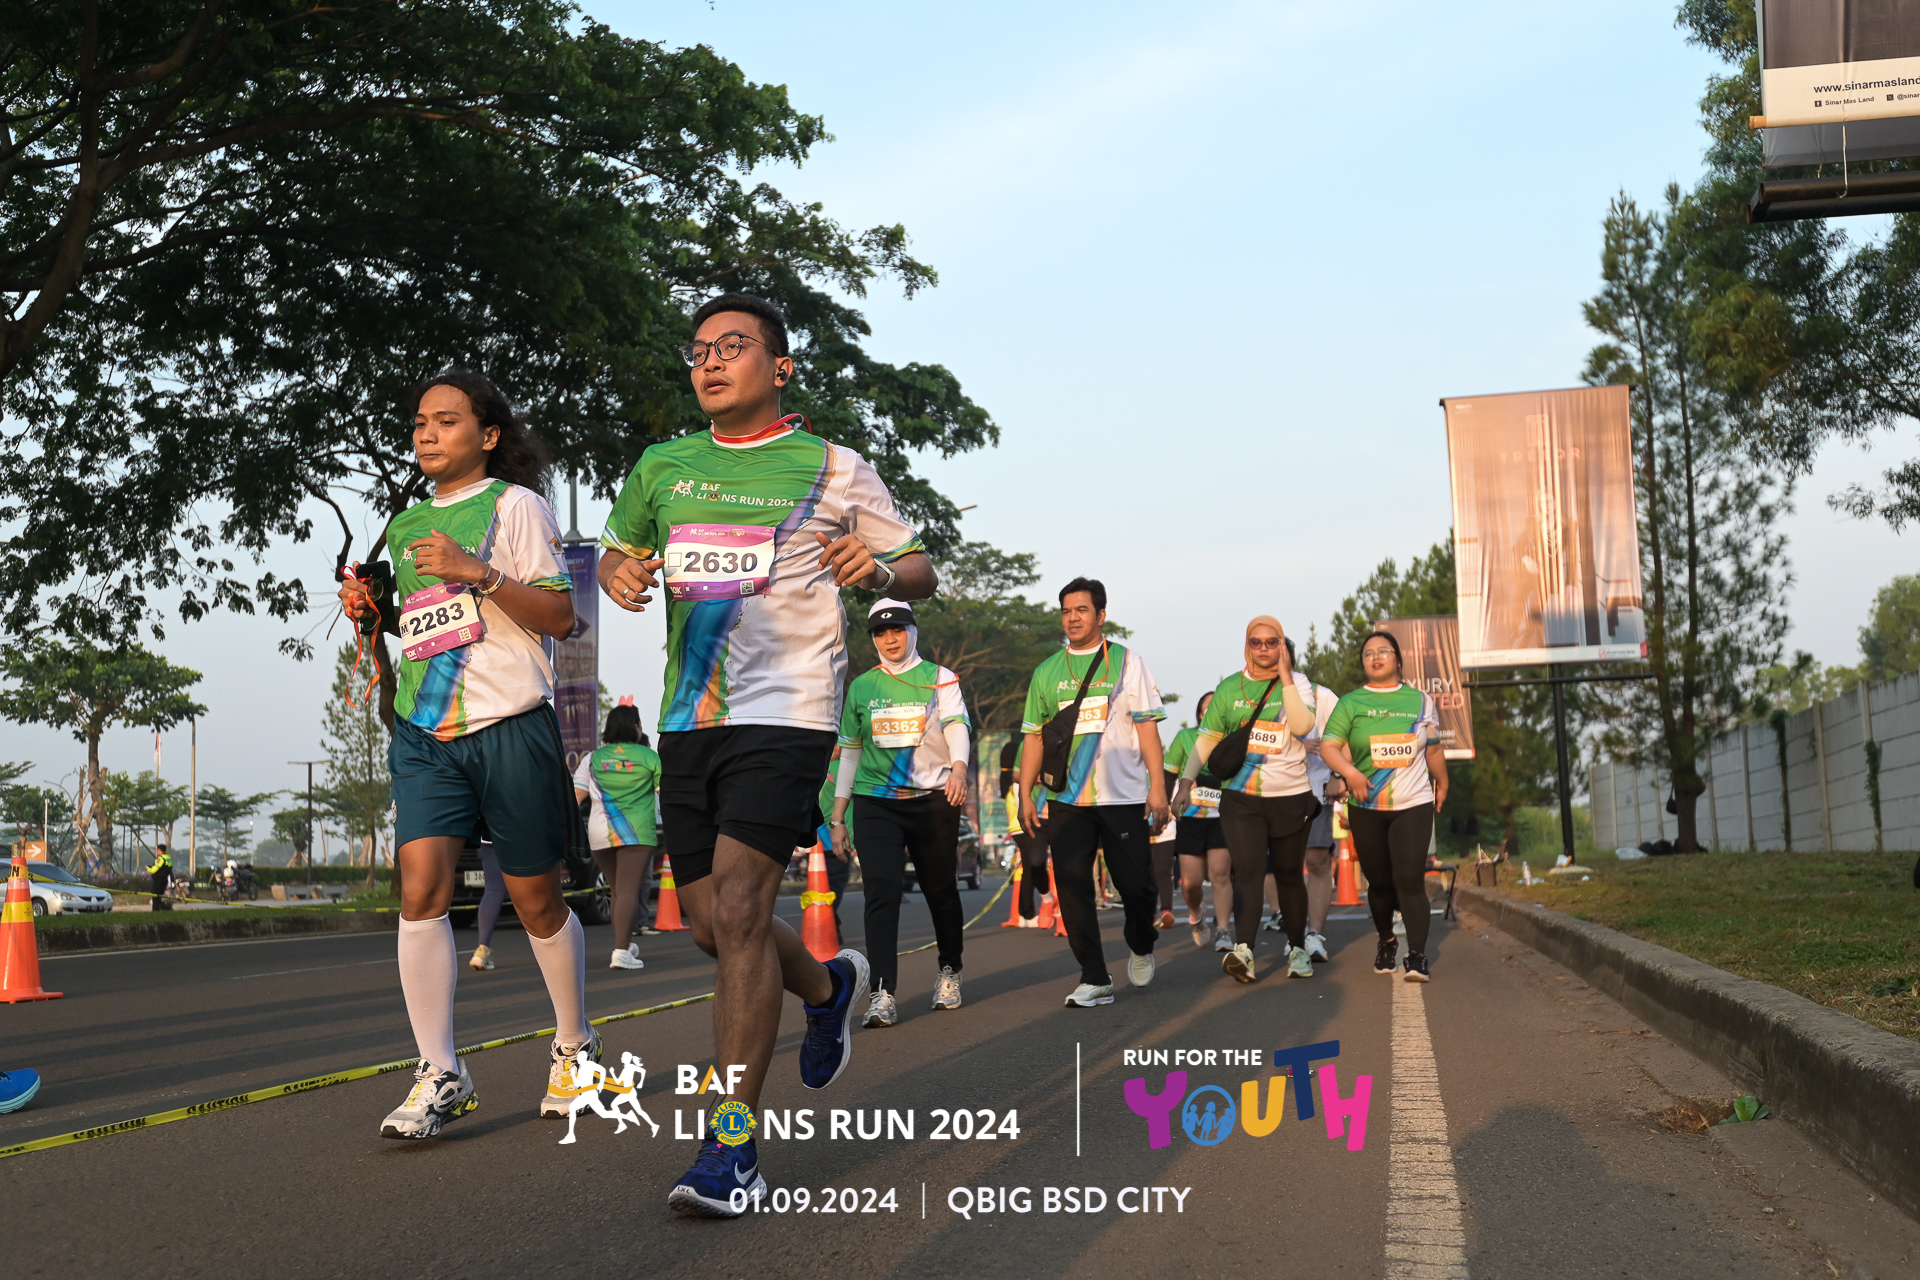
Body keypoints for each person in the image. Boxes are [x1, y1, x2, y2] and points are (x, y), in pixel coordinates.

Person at [596, 292, 935, 1218]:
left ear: (780, 367)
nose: (709, 362)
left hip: (789, 710)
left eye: (732, 346)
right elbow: (619, 554)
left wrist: (879, 569)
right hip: (690, 716)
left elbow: (920, 568)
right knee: (713, 926)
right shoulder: (662, 465)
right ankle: (827, 989)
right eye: (699, 349)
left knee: (745, 908)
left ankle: (732, 1149)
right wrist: (618, 571)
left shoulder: (835, 466)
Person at [338, 369, 594, 1142]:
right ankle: (439, 1070)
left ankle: (575, 1046)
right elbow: (430, 624)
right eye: (420, 421)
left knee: (536, 899)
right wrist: (373, 616)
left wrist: (476, 569)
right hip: (425, 732)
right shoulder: (408, 522)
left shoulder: (517, 507)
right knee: (421, 889)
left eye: (446, 421)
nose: (427, 433)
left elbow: (561, 616)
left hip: (509, 721)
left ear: (487, 435)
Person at [1016, 577, 1170, 1007]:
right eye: (1066, 611)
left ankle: (1141, 941)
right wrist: (1026, 792)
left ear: (1101, 615)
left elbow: (1147, 728)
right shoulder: (1046, 671)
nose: (1073, 618)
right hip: (1067, 798)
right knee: (1072, 885)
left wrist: (1158, 788)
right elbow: (1034, 737)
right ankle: (1095, 976)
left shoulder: (1127, 662)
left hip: (1122, 796)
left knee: (1136, 886)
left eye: (1081, 610)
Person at [831, 598, 971, 1026]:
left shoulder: (940, 679)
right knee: (881, 892)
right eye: (881, 633)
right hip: (876, 802)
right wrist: (838, 817)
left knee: (940, 890)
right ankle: (882, 992)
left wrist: (959, 768)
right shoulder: (862, 687)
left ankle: (950, 970)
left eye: (897, 630)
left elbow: (956, 725)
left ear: (913, 632)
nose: (890, 639)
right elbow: (850, 752)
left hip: (933, 799)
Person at [1175, 617, 1318, 983]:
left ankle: (1298, 949)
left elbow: (1302, 727)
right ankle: (1244, 951)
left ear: (1282, 646)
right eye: (1256, 642)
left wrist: (1285, 677)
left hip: (1290, 795)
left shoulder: (1298, 683)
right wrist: (1186, 782)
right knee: (1249, 872)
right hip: (1241, 797)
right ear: (1247, 646)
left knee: (1288, 874)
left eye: (1272, 642)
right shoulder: (1229, 688)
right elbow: (1207, 739)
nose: (1264, 648)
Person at [1321, 630, 1449, 982]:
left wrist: (1443, 782)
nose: (1375, 657)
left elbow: (1434, 748)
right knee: (1379, 884)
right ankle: (1387, 940)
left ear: (1397, 659)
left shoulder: (1420, 701)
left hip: (1414, 802)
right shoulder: (1351, 703)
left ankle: (1417, 956)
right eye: (1368, 653)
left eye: (1383, 651)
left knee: (1409, 880)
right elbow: (1329, 747)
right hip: (1366, 805)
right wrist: (1350, 774)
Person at [573, 700, 662, 970]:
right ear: (635, 727)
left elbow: (575, 798)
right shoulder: (649, 756)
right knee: (628, 891)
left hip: (599, 834)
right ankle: (621, 951)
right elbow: (666, 795)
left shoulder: (592, 758)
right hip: (636, 833)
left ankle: (624, 945)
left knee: (617, 891)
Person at [1164, 692, 1231, 951]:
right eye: (1208, 707)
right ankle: (1196, 913)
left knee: (1220, 874)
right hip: (1191, 818)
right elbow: (1169, 772)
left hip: (1222, 817)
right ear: (1201, 714)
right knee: (1191, 884)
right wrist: (1164, 804)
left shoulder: (1232, 738)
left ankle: (1223, 930)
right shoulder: (1185, 737)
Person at [1296, 651, 1345, 961]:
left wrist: (1338, 775)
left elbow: (1344, 735)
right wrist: (1297, 746)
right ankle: (1294, 934)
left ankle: (1313, 935)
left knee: (1316, 861)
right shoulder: (1261, 699)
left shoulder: (1321, 696)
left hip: (1314, 790)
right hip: (1274, 792)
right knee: (1286, 867)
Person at [1000, 739, 1046, 926]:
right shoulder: (1020, 784)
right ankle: (1027, 913)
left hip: (1016, 829)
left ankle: (1024, 913)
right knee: (1029, 870)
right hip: (1024, 827)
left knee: (1028, 869)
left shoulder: (1007, 784)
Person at [468, 837, 505, 970]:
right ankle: (551, 946)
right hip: (522, 833)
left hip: (488, 835)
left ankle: (482, 950)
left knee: (494, 890)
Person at [146, 843, 172, 911]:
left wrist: (148, 868)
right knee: (158, 897)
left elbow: (154, 870)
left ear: (160, 850)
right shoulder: (168, 858)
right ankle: (156, 911)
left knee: (155, 898)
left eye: (157, 850)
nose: (156, 852)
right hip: (165, 880)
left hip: (158, 881)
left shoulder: (161, 859)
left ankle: (166, 908)